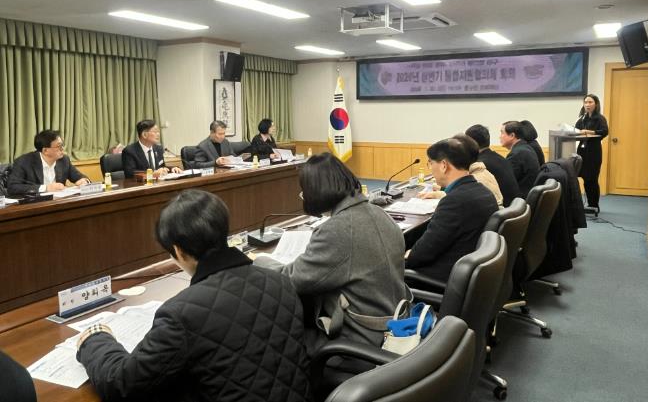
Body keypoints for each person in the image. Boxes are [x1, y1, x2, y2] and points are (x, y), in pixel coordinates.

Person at [76, 190, 312, 402]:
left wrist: (95, 339)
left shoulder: (181, 314)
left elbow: (121, 384)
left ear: (178, 251)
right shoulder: (281, 281)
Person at [256, 153, 408, 351]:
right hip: (396, 325)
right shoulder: (380, 213)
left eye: (304, 191)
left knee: (276, 335)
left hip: (362, 340)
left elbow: (291, 280)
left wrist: (259, 260)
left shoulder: (338, 229)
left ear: (315, 192)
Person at [405, 137, 499, 284]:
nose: (430, 168)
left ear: (444, 165)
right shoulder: (483, 191)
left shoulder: (454, 201)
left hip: (448, 277)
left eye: (430, 163)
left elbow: (423, 253)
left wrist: (407, 255)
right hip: (473, 273)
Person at [7, 129, 90, 196]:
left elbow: (80, 177)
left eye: (62, 145)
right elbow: (13, 187)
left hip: (58, 203)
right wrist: (46, 188)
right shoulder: (24, 162)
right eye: (58, 146)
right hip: (35, 205)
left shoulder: (64, 160)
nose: (62, 149)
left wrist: (84, 181)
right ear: (45, 150)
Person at [465, 124, 521, 206]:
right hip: (513, 208)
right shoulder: (500, 158)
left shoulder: (480, 166)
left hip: (502, 209)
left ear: (471, 143)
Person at [575, 94, 609, 212]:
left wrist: (589, 132)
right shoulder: (582, 118)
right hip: (582, 152)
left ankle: (594, 205)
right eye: (586, 102)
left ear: (596, 104)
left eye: (590, 102)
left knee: (592, 180)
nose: (587, 105)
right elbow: (576, 130)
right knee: (583, 178)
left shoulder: (600, 118)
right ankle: (586, 205)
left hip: (593, 152)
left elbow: (604, 131)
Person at [500, 121, 540, 198]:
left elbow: (506, 183)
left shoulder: (516, 154)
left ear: (512, 135)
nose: (500, 136)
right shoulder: (526, 147)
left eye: (502, 133)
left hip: (519, 200)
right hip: (526, 196)